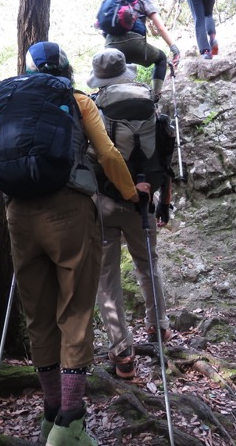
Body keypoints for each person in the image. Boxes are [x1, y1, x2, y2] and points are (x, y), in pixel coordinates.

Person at [6, 41, 149, 445]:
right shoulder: (78, 100)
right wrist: (130, 193)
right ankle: (70, 424)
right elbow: (106, 153)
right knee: (74, 312)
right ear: (66, 67)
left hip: (19, 213)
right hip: (68, 212)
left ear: (30, 69)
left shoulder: (11, 96)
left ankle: (50, 416)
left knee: (39, 316)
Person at [86, 48, 173, 380]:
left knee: (106, 277)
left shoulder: (95, 107)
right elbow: (164, 157)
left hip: (105, 203)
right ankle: (159, 328)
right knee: (148, 264)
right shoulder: (150, 102)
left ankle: (123, 351)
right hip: (144, 200)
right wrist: (163, 201)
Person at [103, 0, 180, 99]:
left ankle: (109, 100)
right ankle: (155, 97)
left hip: (109, 44)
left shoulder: (119, 1)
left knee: (122, 71)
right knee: (161, 59)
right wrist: (174, 48)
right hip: (132, 42)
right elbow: (160, 27)